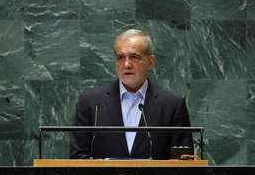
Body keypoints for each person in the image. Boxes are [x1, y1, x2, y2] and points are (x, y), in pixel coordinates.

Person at [69, 29, 193, 159]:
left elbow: (182, 163)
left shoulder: (172, 105)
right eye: (121, 58)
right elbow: (78, 158)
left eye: (134, 57)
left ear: (150, 62)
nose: (127, 64)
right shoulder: (90, 102)